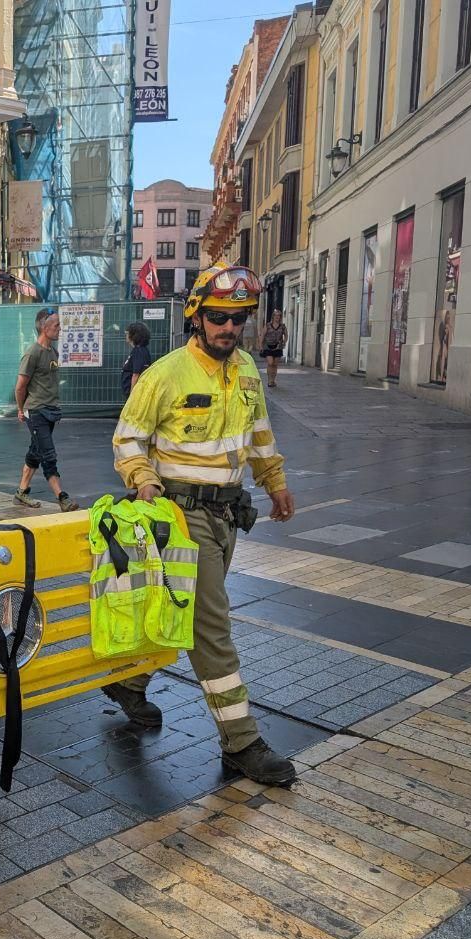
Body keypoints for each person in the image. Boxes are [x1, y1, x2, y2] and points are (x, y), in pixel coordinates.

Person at [109, 262, 298, 786]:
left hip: (229, 516)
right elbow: (128, 439)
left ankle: (130, 682)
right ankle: (242, 742)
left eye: (239, 318)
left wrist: (275, 482)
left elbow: (260, 437)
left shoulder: (247, 372)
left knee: (183, 611)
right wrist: (143, 478)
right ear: (196, 315)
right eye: (219, 317)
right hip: (181, 517)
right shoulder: (164, 374)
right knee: (212, 626)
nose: (230, 328)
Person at [13, 309, 80, 512]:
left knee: (36, 451)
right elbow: (20, 386)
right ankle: (62, 497)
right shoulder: (32, 353)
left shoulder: (52, 352)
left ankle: (21, 493)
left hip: (51, 411)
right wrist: (20, 409)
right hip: (36, 411)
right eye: (57, 325)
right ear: (44, 327)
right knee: (48, 454)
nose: (60, 329)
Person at [121, 321, 152, 399]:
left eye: (127, 333)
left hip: (136, 394)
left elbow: (136, 374)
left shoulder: (139, 351)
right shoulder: (141, 350)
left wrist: (132, 396)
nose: (126, 335)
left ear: (134, 335)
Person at [259, 308, 287, 388]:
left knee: (275, 364)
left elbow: (286, 335)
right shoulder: (268, 325)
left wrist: (284, 341)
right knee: (270, 363)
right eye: (276, 316)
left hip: (278, 347)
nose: (277, 317)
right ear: (273, 317)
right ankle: (269, 380)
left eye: (279, 316)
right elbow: (262, 335)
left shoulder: (282, 326)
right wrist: (261, 345)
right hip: (268, 346)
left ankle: (273, 380)